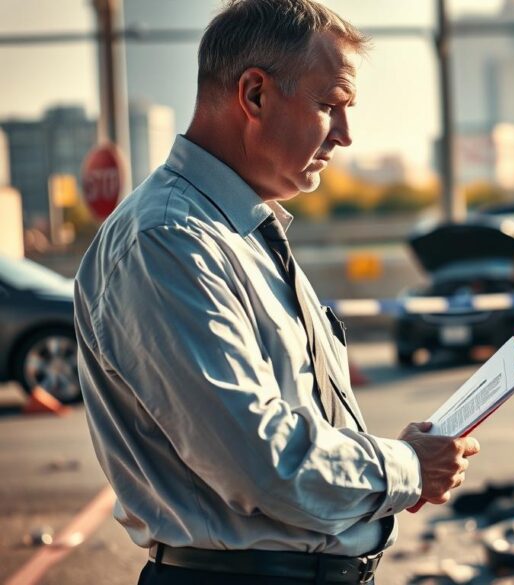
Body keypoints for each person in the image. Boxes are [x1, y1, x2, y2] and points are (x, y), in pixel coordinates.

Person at [73, 1, 479, 583]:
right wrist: (407, 466)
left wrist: (388, 459)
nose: (345, 135)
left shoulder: (238, 233)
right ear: (255, 94)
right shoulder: (170, 241)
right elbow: (262, 464)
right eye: (328, 105)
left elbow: (289, 433)